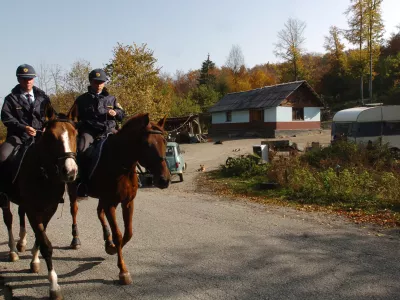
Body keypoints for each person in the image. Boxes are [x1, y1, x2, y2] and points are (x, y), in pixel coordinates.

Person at [0, 64, 51, 207]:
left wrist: (47, 128)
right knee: (2, 156)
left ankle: (56, 191)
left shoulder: (44, 98)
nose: (27, 81)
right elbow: (7, 118)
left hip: (40, 137)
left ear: (33, 79)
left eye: (30, 78)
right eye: (24, 79)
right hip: (18, 137)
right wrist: (24, 128)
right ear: (18, 79)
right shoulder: (10, 99)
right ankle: (3, 192)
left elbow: (50, 116)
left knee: (60, 153)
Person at [73, 68, 125, 196]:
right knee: (81, 149)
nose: (99, 84)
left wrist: (116, 112)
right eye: (96, 82)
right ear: (91, 82)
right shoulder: (81, 100)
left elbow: (122, 114)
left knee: (126, 146)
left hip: (109, 129)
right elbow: (73, 118)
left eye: (101, 82)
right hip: (90, 131)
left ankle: (130, 178)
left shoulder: (111, 99)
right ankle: (83, 182)